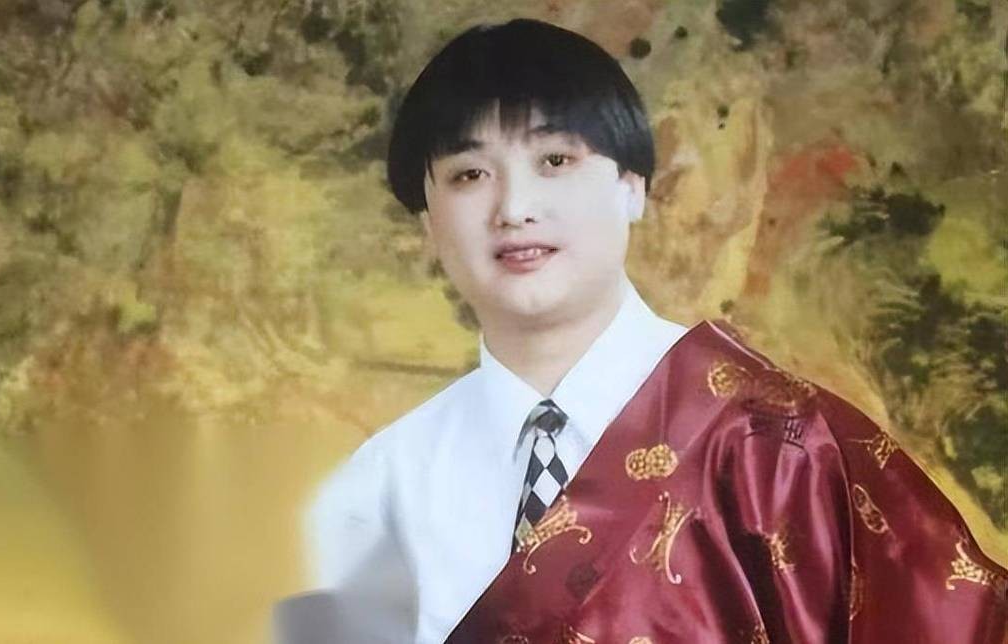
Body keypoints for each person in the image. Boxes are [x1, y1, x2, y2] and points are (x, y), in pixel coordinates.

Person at [293, 18, 1008, 644]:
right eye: (469, 174)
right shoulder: (382, 486)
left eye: (554, 161)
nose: (514, 208)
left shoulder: (776, 441)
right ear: (427, 221)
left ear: (632, 186)